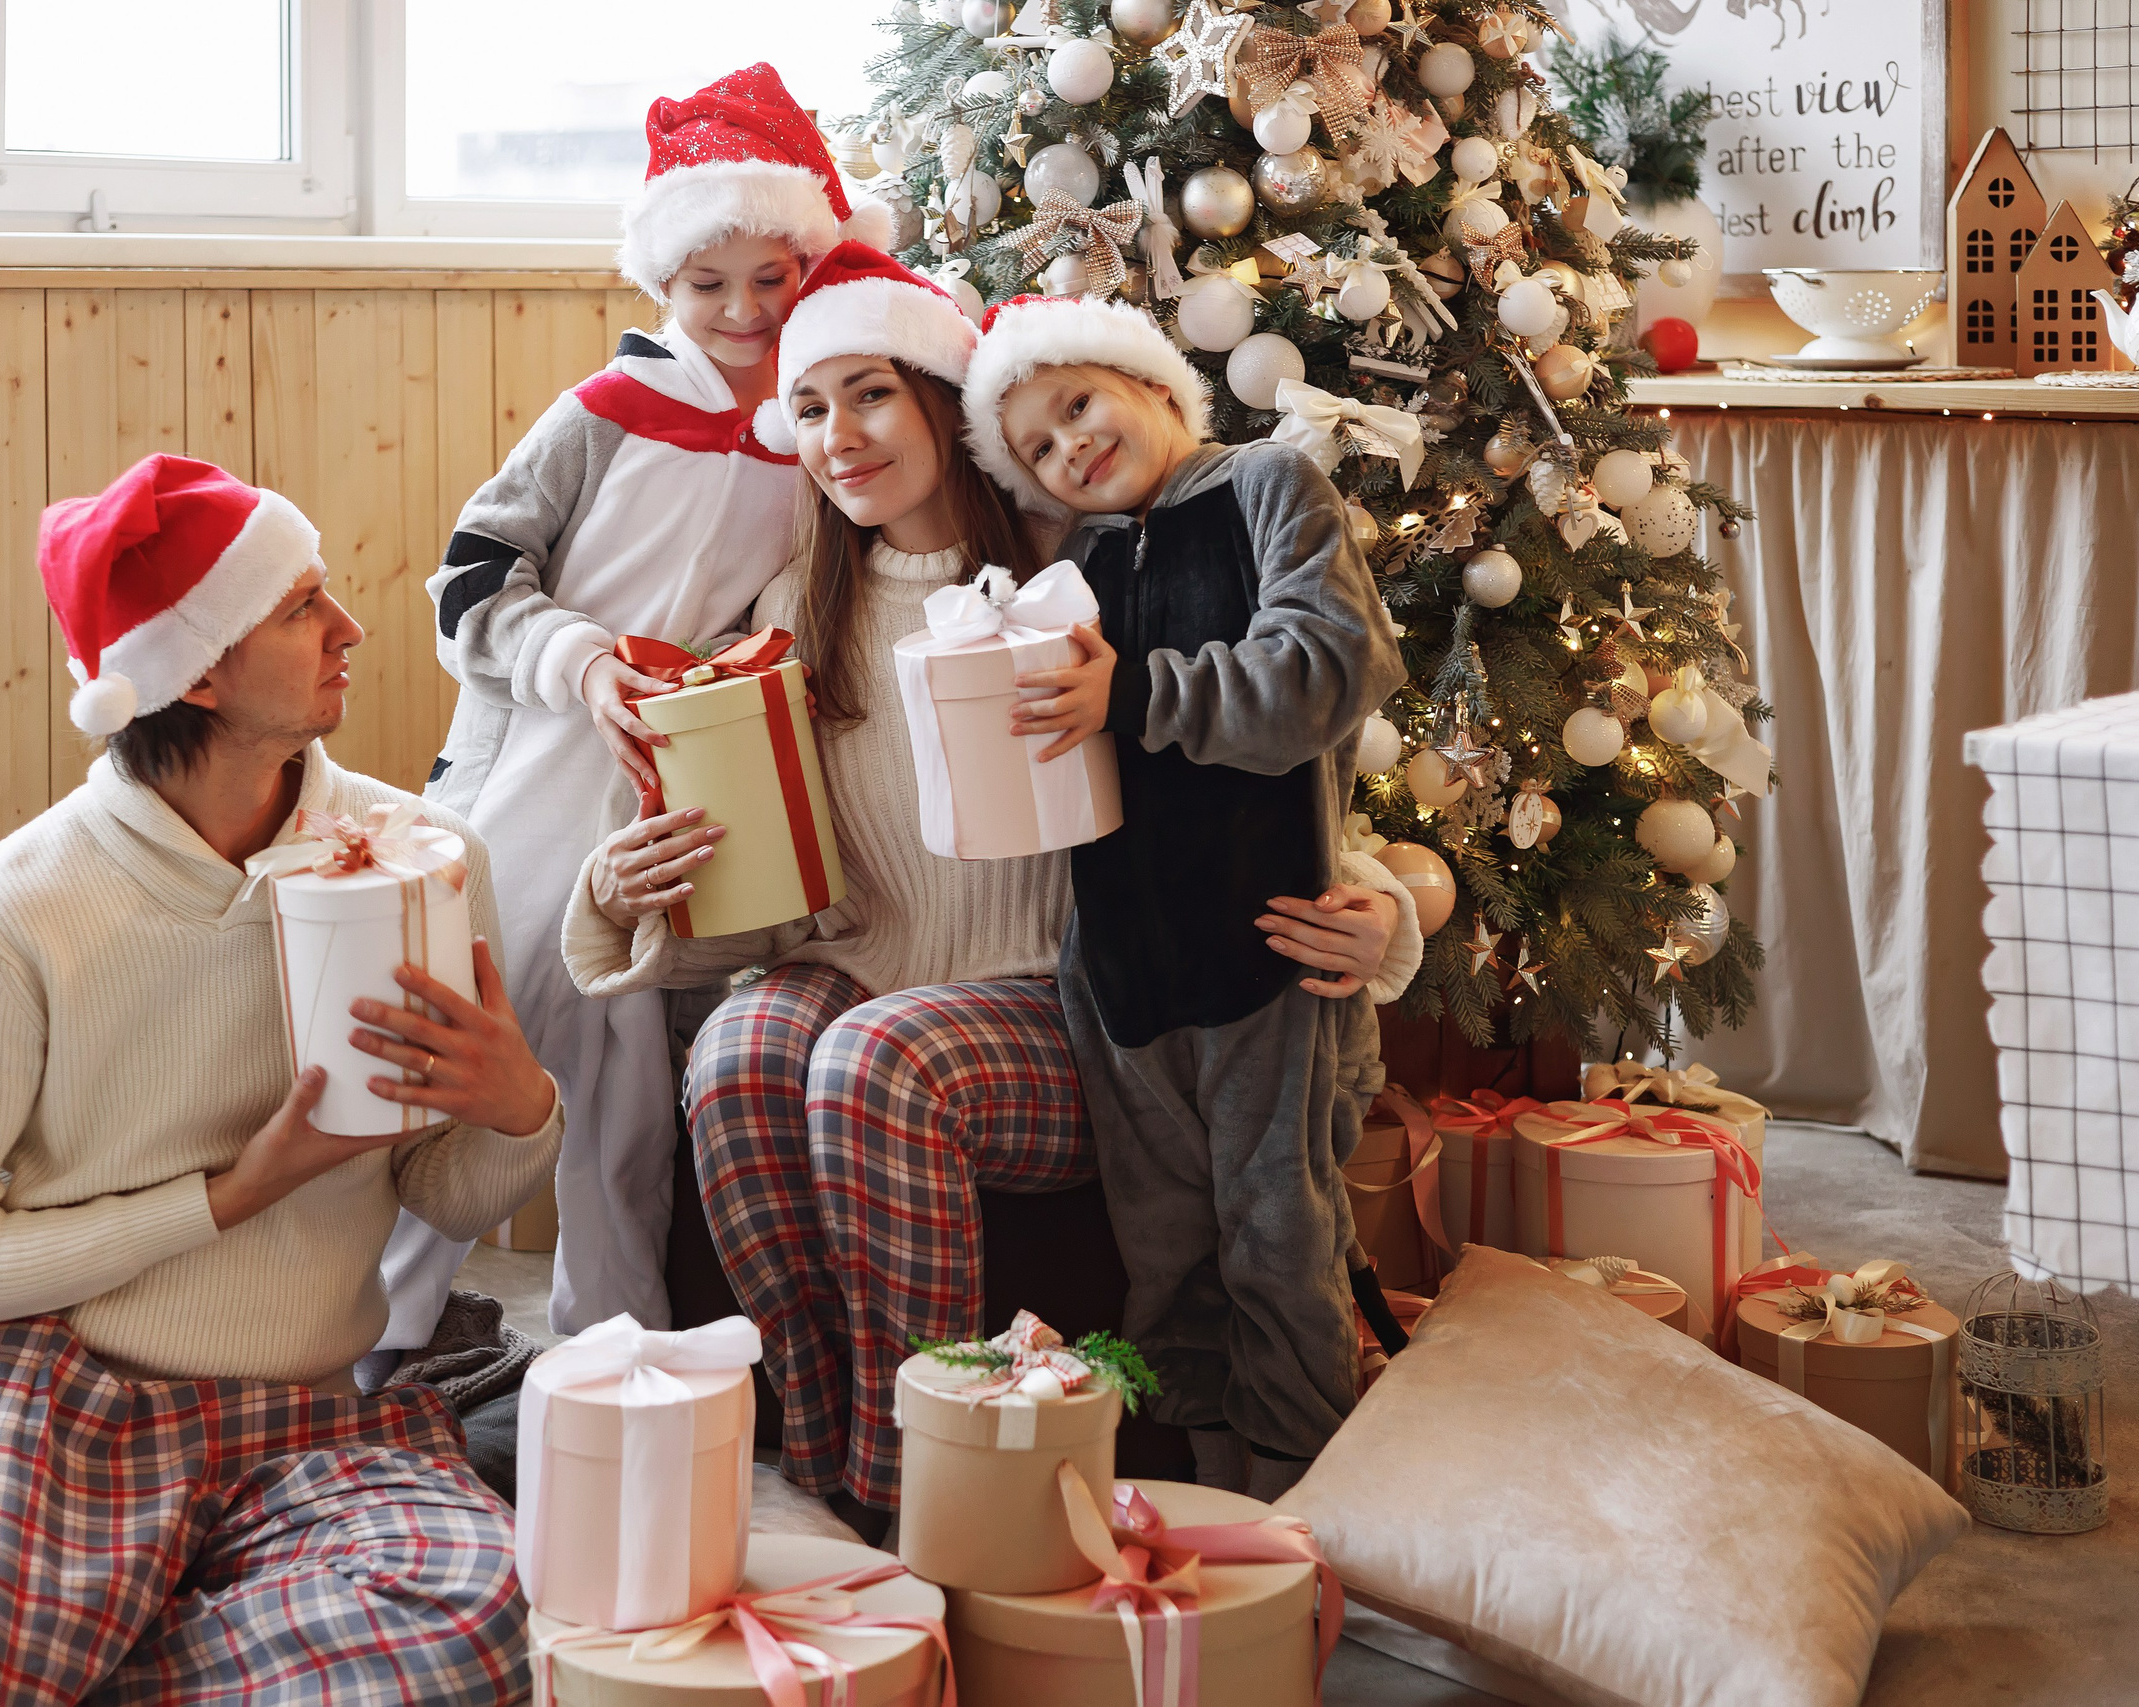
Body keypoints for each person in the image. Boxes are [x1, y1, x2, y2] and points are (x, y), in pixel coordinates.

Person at [0, 455, 560, 1705]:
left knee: (478, 1639)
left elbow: (445, 1188)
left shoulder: (417, 860)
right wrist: (233, 1194)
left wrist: (517, 1106)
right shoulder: (15, 912)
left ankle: (38, 1670)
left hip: (300, 1404)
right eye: (301, 604)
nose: (351, 626)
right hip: (42, 1385)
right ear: (197, 671)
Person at [565, 247, 1409, 1536]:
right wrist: (628, 899)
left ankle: (932, 1484)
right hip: (868, 977)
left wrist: (1398, 907)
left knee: (870, 1062)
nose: (837, 438)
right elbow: (774, 903)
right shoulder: (799, 610)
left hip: (1061, 1011)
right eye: (807, 409)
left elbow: (1261, 764)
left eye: (870, 396)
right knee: (741, 1047)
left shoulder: (1089, 562)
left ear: (942, 407)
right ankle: (828, 1452)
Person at [416, 64, 886, 1342]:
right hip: (532, 780)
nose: (740, 311)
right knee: (463, 1072)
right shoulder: (602, 416)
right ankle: (369, 1352)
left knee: (624, 1102)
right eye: (705, 283)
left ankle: (607, 1362)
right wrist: (578, 660)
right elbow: (466, 576)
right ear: (662, 284)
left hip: (667, 811)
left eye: (769, 280)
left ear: (811, 268)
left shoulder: (818, 425)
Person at [962, 295, 1426, 1501]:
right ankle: (1211, 1515)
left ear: (1156, 386)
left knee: (1282, 1246)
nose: (1071, 446)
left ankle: (1306, 1528)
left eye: (1078, 404)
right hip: (1120, 976)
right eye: (1041, 448)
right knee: (1165, 1265)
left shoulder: (1267, 486)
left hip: (1267, 953)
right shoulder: (1082, 565)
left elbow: (1328, 669)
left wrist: (1134, 696)